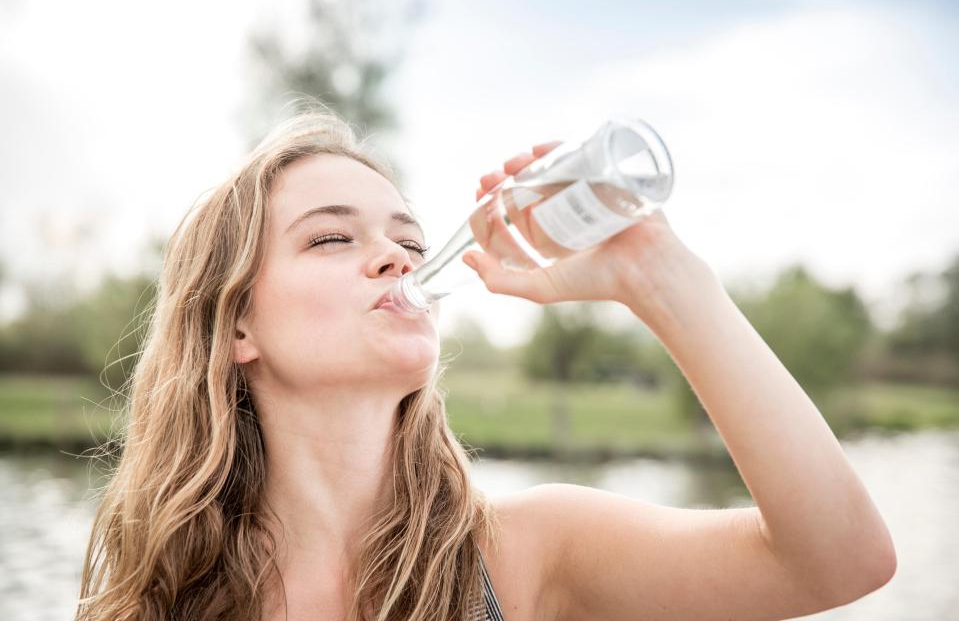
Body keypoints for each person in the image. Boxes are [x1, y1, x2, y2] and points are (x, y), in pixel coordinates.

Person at [75, 105, 896, 621]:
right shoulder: (157, 596)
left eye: (409, 242)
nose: (394, 259)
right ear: (235, 326)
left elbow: (838, 561)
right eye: (332, 237)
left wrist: (658, 277)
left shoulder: (526, 554)